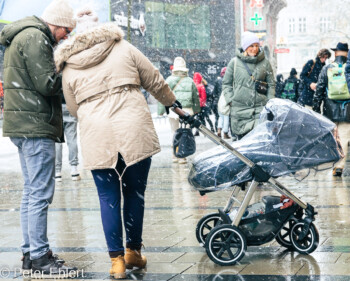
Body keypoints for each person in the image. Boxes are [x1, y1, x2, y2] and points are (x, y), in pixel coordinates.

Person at [54, 8, 177, 279]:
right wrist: (171, 102)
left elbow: (73, 108)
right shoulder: (122, 46)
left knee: (107, 198)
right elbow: (153, 78)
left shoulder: (68, 65)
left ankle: (117, 262)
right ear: (101, 27)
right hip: (132, 126)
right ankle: (134, 251)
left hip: (97, 133)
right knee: (134, 193)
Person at [0, 0, 78, 277]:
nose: (65, 37)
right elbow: (48, 84)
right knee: (39, 194)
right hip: (35, 125)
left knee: (31, 192)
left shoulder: (24, 35)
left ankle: (30, 255)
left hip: (24, 123)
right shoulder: (36, 38)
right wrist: (68, 68)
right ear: (55, 24)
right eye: (66, 31)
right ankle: (41, 258)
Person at [222, 32, 275, 140]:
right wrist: (231, 99)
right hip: (239, 111)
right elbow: (226, 83)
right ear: (245, 47)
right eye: (251, 46)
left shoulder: (265, 63)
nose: (254, 48)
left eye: (256, 45)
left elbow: (271, 84)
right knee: (242, 146)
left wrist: (269, 101)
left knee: (259, 143)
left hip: (260, 109)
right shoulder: (234, 62)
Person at [313, 42, 349, 177]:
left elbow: (319, 90)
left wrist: (316, 109)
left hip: (330, 108)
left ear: (335, 53)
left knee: (333, 138)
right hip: (348, 109)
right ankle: (340, 166)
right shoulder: (349, 68)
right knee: (344, 137)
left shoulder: (327, 68)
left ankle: (334, 164)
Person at [158, 57, 200, 164]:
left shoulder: (169, 80)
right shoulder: (190, 81)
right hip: (187, 112)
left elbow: (163, 95)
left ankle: (174, 155)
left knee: (175, 132)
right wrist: (196, 109)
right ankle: (182, 156)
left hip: (173, 111)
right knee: (185, 133)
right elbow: (195, 97)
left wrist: (161, 110)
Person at [55, 94, 81, 182]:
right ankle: (74, 169)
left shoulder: (55, 79)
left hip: (57, 106)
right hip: (70, 105)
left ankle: (57, 171)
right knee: (72, 139)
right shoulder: (69, 79)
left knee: (57, 140)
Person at [211, 67, 226, 132]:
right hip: (226, 100)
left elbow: (214, 92)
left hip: (218, 101)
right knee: (227, 116)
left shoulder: (218, 81)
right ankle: (226, 131)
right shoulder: (229, 80)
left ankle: (218, 129)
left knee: (218, 116)